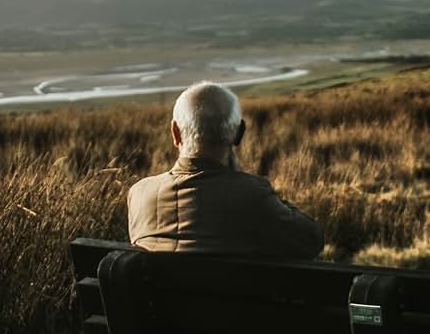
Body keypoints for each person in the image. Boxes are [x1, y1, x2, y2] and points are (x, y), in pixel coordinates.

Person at [127, 81, 323, 259]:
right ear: (239, 133)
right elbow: (312, 241)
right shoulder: (252, 196)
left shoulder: (138, 194)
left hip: (159, 299)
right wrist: (247, 184)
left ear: (175, 132)